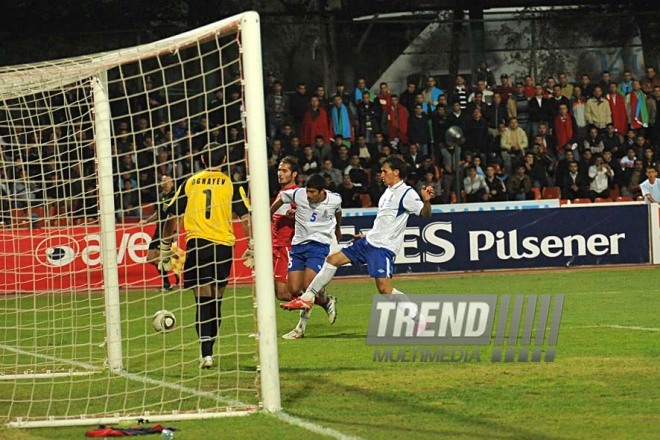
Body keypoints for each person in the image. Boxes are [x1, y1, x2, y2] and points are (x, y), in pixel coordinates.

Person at [279, 156, 434, 328]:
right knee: (333, 260)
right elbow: (385, 221)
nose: (381, 174)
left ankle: (419, 319)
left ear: (396, 172)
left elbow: (424, 213)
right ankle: (307, 298)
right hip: (369, 242)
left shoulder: (407, 193)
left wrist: (426, 201)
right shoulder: (388, 191)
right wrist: (368, 235)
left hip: (382, 248)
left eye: (385, 171)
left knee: (384, 289)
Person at [159, 142, 251, 369]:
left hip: (197, 245)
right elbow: (246, 217)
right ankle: (210, 350)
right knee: (216, 301)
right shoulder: (232, 184)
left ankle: (206, 353)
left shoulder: (189, 182)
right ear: (224, 161)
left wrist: (164, 246)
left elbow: (172, 214)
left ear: (201, 160)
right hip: (222, 247)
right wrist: (252, 244)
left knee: (202, 301)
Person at [270, 174, 342, 339]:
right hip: (298, 247)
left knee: (308, 285)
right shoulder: (298, 194)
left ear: (322, 191)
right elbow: (281, 198)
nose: (309, 195)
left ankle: (300, 329)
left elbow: (338, 212)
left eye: (312, 192)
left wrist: (338, 229)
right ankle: (326, 301)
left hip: (318, 246)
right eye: (307, 191)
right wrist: (268, 214)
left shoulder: (334, 199)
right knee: (294, 289)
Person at [266, 157, 299, 301]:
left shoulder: (296, 194)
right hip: (275, 247)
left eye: (285, 170)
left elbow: (306, 215)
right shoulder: (282, 193)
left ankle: (322, 300)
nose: (280, 173)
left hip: (286, 247)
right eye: (279, 170)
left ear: (294, 174)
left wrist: (296, 215)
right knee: (277, 292)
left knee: (283, 293)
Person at [139, 175, 179, 291]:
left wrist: (176, 231)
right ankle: (173, 269)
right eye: (163, 181)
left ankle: (167, 284)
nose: (165, 183)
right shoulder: (160, 196)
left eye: (167, 181)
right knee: (151, 258)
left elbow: (178, 215)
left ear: (172, 183)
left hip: (168, 230)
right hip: (159, 230)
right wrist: (146, 221)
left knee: (159, 255)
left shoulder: (175, 196)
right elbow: (158, 214)